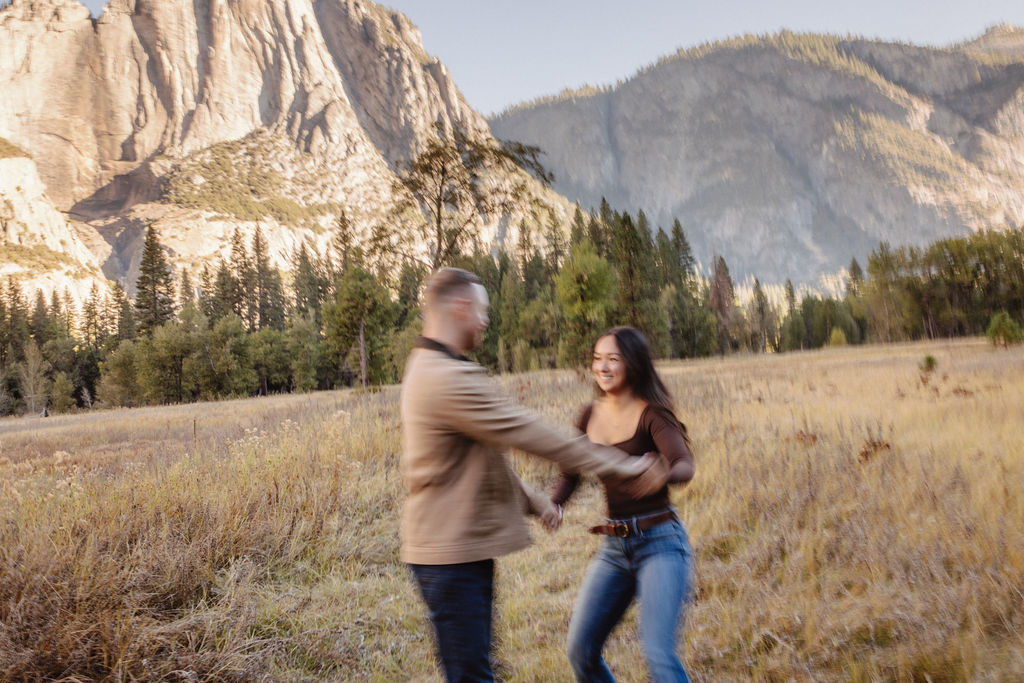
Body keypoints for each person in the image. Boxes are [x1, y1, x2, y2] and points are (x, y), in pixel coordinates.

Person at [400, 268, 668, 682]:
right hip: (448, 552)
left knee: (475, 670)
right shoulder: (444, 377)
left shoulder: (432, 367)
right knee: (471, 677)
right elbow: (530, 433)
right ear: (461, 307)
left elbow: (481, 460)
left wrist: (540, 503)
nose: (486, 321)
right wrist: (626, 464)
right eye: (482, 311)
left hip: (455, 548)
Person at [550, 326, 695, 683]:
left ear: (632, 363)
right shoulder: (588, 416)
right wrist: (555, 504)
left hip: (660, 542)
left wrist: (664, 472)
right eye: (598, 359)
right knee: (580, 651)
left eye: (613, 359)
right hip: (614, 549)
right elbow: (571, 473)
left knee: (659, 654)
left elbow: (684, 464)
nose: (603, 367)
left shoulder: (652, 414)